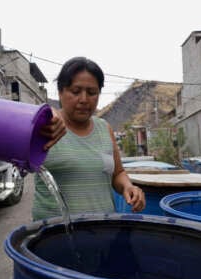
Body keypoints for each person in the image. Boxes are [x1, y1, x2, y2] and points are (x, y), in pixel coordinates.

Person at [33, 56, 145, 221]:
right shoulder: (45, 127)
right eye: (75, 91)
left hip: (103, 231)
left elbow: (118, 173)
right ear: (60, 92)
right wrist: (42, 115)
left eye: (92, 92)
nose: (84, 100)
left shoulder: (104, 128)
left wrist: (128, 186)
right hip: (54, 237)